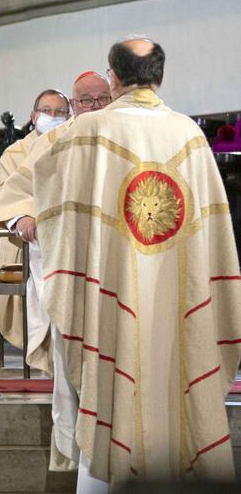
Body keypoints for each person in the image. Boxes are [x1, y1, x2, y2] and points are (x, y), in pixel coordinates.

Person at [32, 38, 241, 490]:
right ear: (160, 76)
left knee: (110, 386)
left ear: (114, 77)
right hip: (178, 294)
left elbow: (45, 179)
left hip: (112, 293)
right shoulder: (188, 133)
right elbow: (214, 232)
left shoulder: (88, 131)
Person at [0, 71, 111, 372]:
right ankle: (63, 364)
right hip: (62, 239)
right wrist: (24, 215)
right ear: (75, 103)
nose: (94, 106)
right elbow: (18, 188)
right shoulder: (55, 140)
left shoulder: (126, 134)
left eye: (102, 99)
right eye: (86, 100)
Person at [0, 88, 69, 352]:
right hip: (23, 241)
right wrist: (23, 216)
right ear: (33, 115)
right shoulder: (15, 154)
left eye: (60, 112)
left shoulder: (73, 144)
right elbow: (2, 200)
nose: (53, 117)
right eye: (47, 111)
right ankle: (47, 348)